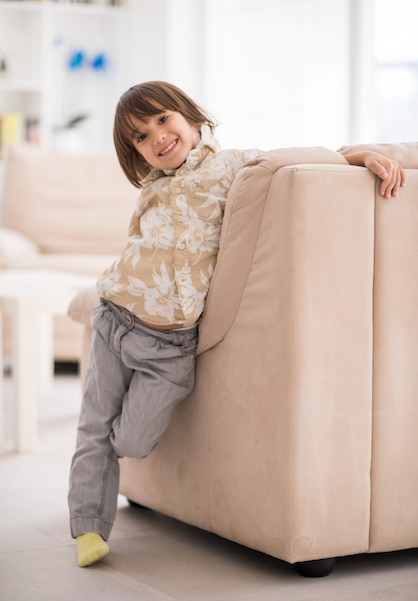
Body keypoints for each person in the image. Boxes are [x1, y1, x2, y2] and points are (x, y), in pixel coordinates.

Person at [68, 80, 406, 568]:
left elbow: (307, 158)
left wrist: (364, 157)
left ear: (190, 115)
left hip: (169, 348)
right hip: (115, 316)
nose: (158, 138)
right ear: (137, 155)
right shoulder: (152, 187)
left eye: (163, 120)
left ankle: (109, 454)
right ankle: (88, 530)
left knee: (131, 440)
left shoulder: (237, 166)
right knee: (92, 428)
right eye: (141, 137)